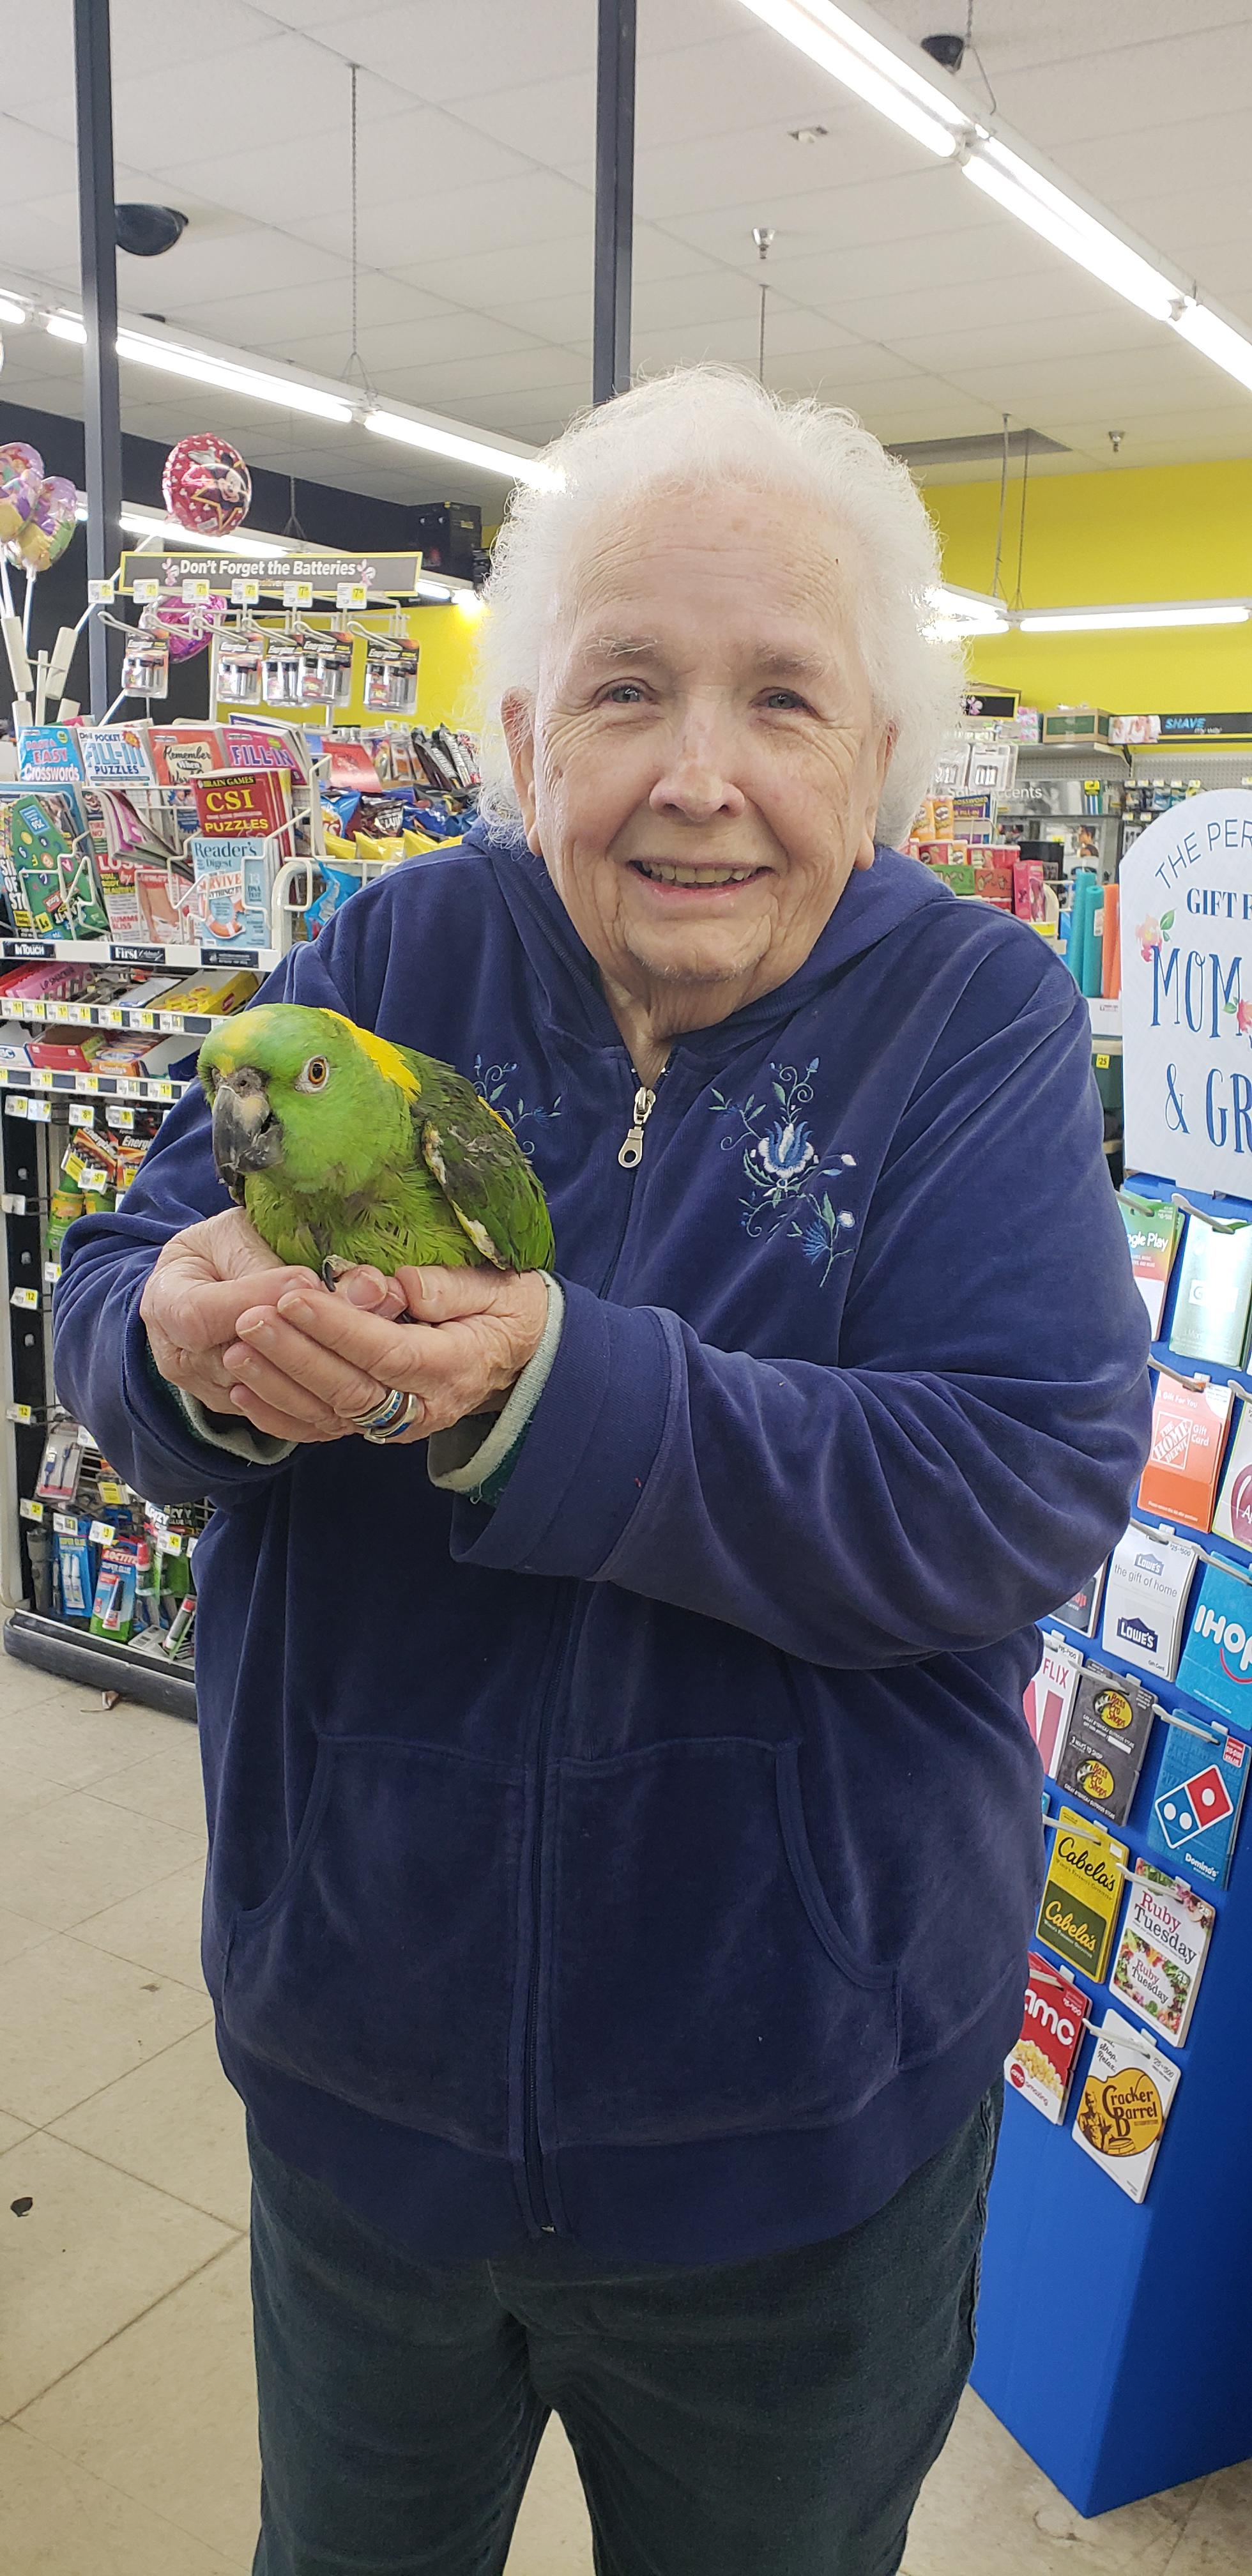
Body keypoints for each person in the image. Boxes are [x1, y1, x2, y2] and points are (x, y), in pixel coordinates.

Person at [54, 366, 1150, 2576]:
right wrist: (175, 1350)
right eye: (627, 687)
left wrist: (567, 1397)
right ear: (527, 738)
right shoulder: (387, 957)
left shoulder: (982, 1020)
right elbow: (108, 1277)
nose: (701, 777)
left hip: (796, 2150)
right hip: (356, 2088)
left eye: (783, 700)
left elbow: (1023, 1479)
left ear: (885, 764)